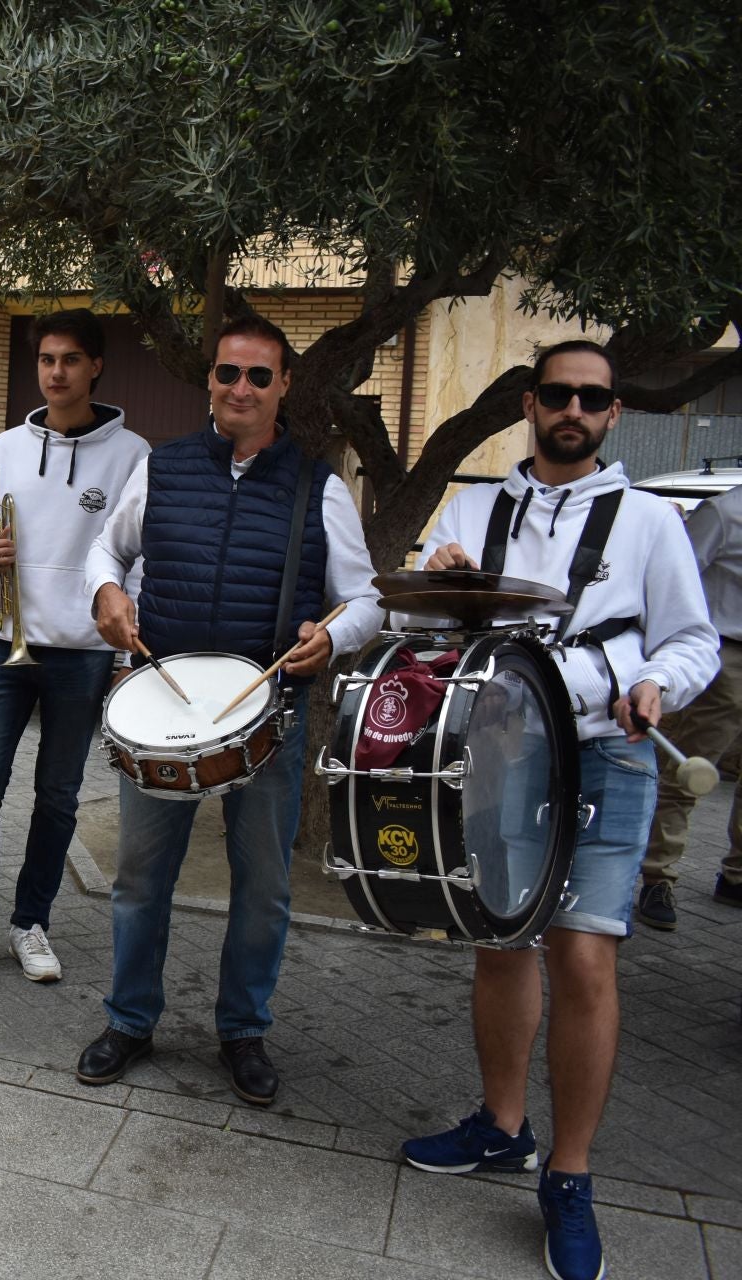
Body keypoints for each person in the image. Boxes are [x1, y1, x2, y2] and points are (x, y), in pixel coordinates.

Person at [399, 339, 716, 1280]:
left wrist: (658, 681)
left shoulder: (652, 521)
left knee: (582, 956)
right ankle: (503, 1127)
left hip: (611, 754)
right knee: (502, 942)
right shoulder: (473, 506)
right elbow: (420, 628)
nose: (572, 408)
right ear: (530, 405)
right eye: (555, 393)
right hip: (499, 752)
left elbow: (692, 640)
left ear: (613, 413)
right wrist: (442, 578)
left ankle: (570, 1177)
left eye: (591, 396)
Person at [76, 313, 381, 1105]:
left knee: (264, 887)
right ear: (208, 380)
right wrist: (105, 590)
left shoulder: (321, 486)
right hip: (165, 708)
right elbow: (107, 550)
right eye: (225, 373)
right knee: (140, 880)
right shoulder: (164, 468)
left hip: (267, 715)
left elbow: (366, 598)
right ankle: (129, 1019)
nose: (238, 387)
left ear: (282, 388)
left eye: (256, 376)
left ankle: (243, 1029)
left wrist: (334, 634)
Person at [0, 309, 148, 984]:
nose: (56, 372)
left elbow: (137, 561)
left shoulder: (132, 455)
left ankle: (31, 923)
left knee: (58, 797)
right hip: (2, 646)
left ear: (95, 367)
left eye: (70, 360)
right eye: (47, 360)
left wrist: (125, 656)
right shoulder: (3, 449)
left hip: (82, 654)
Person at [635, 480, 742, 927]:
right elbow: (676, 579)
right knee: (688, 768)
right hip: (725, 655)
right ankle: (658, 877)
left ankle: (736, 875)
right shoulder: (725, 513)